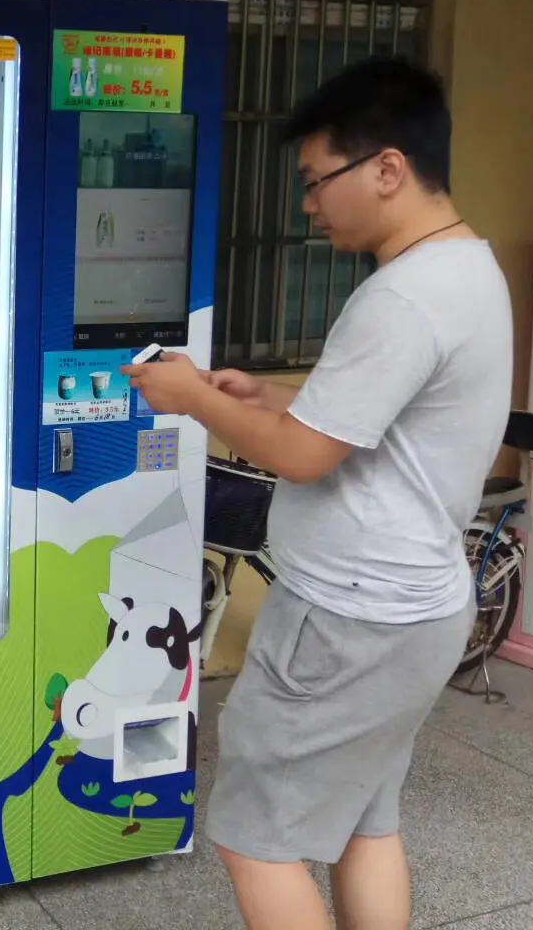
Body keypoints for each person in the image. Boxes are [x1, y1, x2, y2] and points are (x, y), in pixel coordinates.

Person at [123, 56, 512, 930]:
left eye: (315, 180)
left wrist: (190, 401)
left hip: (348, 618)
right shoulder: (466, 270)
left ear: (386, 169)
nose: (308, 203)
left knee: (257, 839)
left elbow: (306, 458)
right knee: (367, 819)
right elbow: (367, 420)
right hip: (419, 606)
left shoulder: (402, 297)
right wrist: (269, 397)